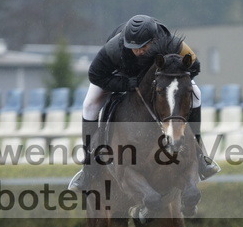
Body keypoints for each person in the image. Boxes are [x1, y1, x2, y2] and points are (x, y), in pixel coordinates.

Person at [69, 13, 220, 190]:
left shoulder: (171, 43)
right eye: (134, 47)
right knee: (89, 105)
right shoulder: (115, 48)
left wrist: (171, 78)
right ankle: (89, 167)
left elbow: (195, 66)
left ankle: (199, 154)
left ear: (154, 40)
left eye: (143, 46)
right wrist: (126, 84)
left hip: (159, 79)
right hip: (120, 75)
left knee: (196, 92)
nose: (138, 51)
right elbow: (95, 75)